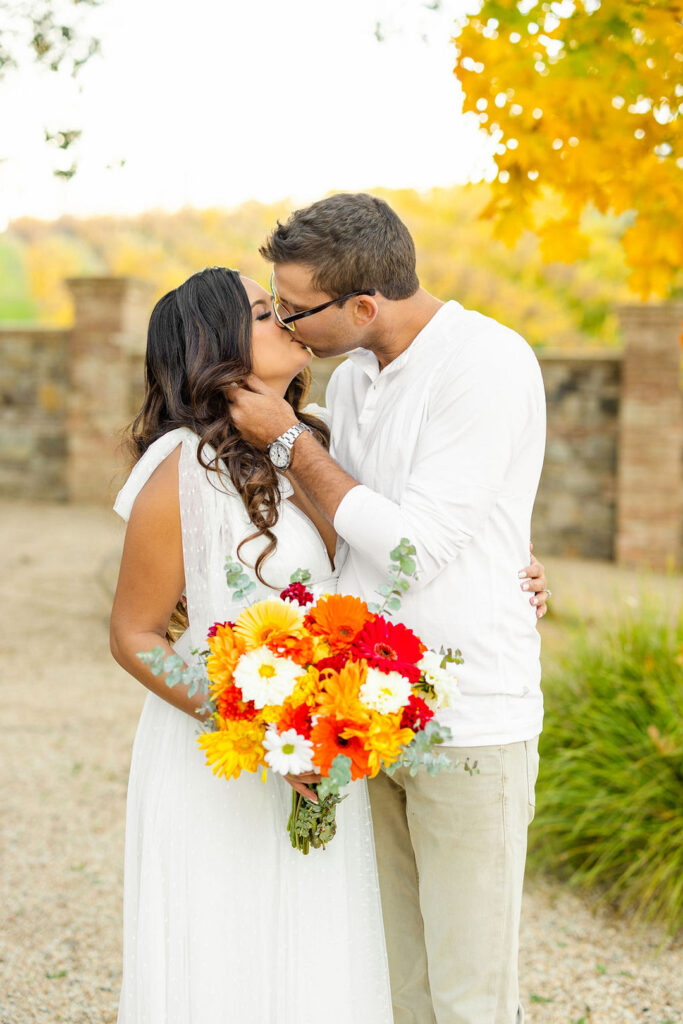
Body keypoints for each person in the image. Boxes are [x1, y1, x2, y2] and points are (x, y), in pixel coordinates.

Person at [228, 191, 549, 1024]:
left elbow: (411, 549)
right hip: (373, 711)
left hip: (470, 717)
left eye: (296, 312)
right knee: (396, 984)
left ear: (363, 304)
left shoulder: (486, 362)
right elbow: (361, 527)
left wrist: (289, 443)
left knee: (470, 992)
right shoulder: (360, 374)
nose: (287, 327)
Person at [109, 267, 395, 1024]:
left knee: (312, 950)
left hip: (320, 744)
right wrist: (262, 731)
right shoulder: (179, 468)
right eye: (267, 312)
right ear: (217, 346)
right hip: (221, 757)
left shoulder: (314, 443)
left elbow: (386, 556)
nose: (289, 321)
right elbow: (134, 634)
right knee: (226, 952)